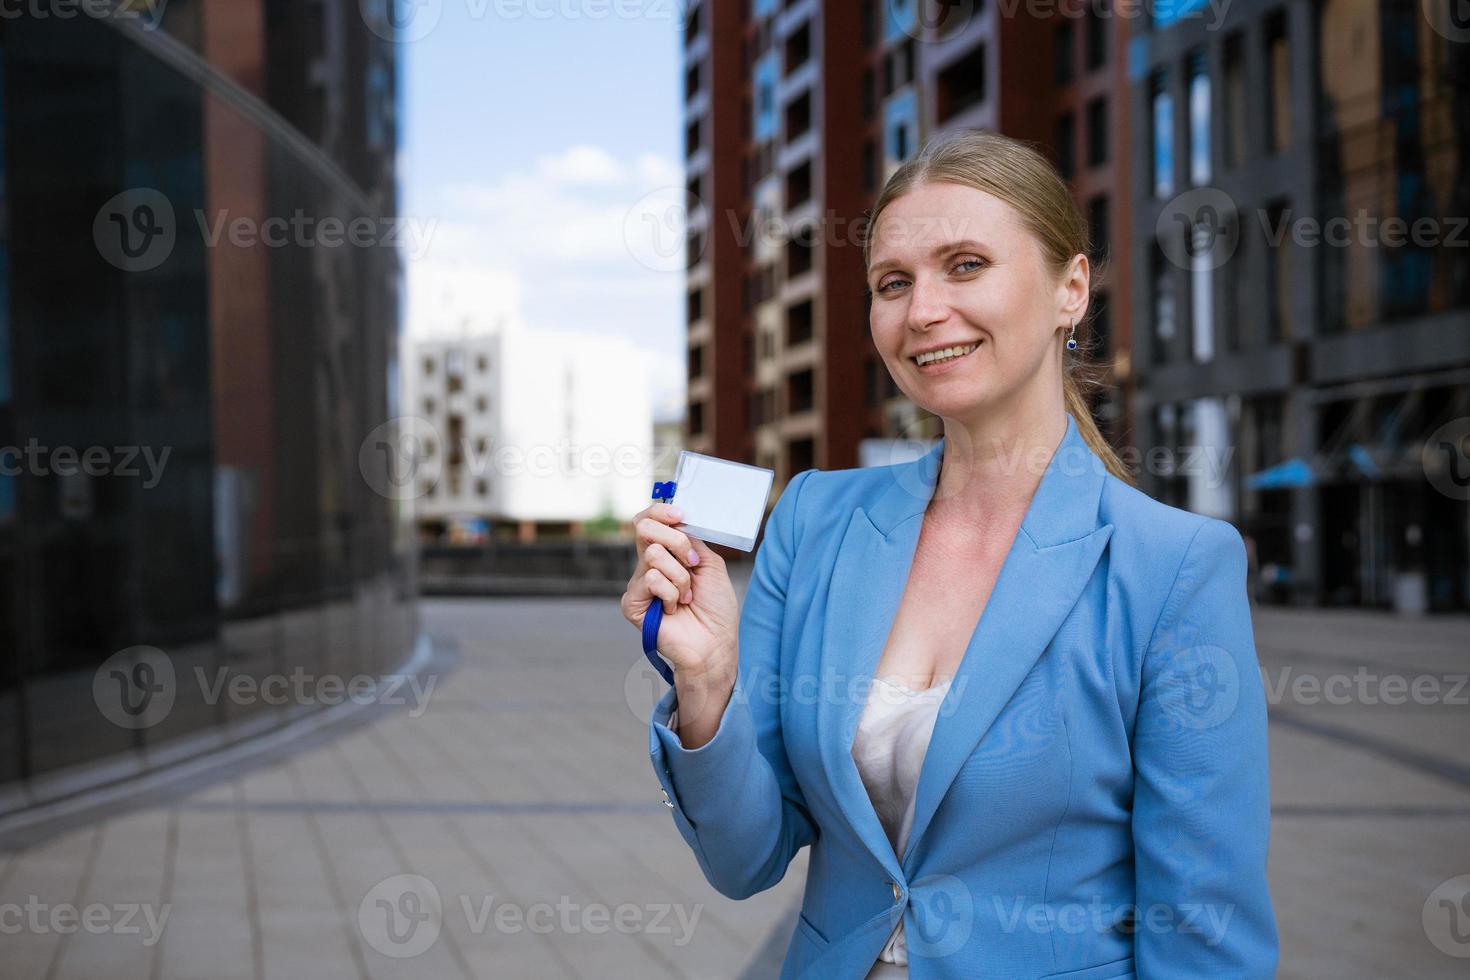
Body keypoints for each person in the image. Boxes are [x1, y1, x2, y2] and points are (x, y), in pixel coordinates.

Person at [621, 129, 1277, 979]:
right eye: (893, 283)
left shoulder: (1176, 567)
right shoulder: (817, 517)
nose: (922, 310)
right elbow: (745, 860)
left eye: (966, 265)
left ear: (1070, 288)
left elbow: (1202, 932)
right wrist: (708, 685)